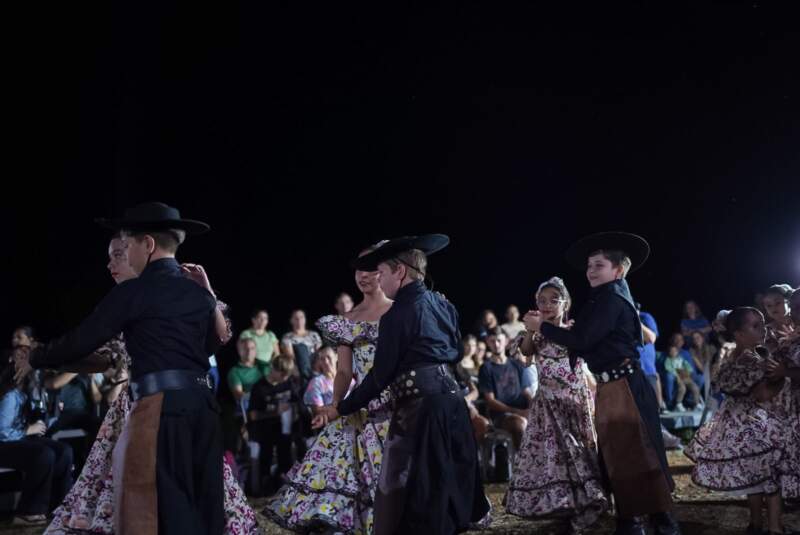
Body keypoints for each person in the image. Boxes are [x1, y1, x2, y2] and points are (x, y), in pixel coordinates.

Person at [13, 202, 236, 534]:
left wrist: (35, 356)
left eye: (128, 245)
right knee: (203, 505)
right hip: (204, 408)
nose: (126, 255)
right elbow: (211, 345)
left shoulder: (135, 291)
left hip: (161, 409)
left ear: (147, 244)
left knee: (153, 507)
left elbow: (82, 340)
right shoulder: (201, 295)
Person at [313, 235, 490, 534]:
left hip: (423, 407)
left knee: (423, 492)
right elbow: (457, 352)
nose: (379, 279)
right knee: (448, 483)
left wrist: (341, 408)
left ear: (400, 272)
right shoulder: (442, 303)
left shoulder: (397, 315)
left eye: (381, 272)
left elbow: (380, 376)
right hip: (452, 401)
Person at [523, 232, 679, 535]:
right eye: (589, 265)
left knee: (639, 452)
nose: (591, 271)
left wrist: (542, 326)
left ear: (618, 270)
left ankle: (659, 520)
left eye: (599, 265)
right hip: (611, 386)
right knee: (617, 455)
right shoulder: (602, 299)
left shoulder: (611, 299)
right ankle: (633, 518)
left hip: (624, 385)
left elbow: (582, 340)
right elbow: (581, 340)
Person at [265, 244, 394, 533]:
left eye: (370, 269)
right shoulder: (348, 320)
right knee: (343, 467)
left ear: (384, 271)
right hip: (361, 402)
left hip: (395, 402)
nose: (362, 275)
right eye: (358, 269)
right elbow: (344, 371)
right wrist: (335, 405)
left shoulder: (398, 311)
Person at [506, 277, 608, 533]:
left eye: (554, 300)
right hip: (548, 406)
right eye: (542, 301)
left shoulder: (574, 331)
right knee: (555, 455)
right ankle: (562, 506)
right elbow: (526, 352)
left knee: (579, 451)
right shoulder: (536, 333)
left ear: (566, 304)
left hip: (575, 403)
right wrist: (531, 330)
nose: (547, 305)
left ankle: (589, 502)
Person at [685, 307, 799, 535]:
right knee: (772, 474)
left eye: (762, 324)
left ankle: (755, 524)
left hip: (734, 425)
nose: (763, 330)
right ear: (738, 334)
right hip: (756, 424)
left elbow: (724, 385)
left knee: (753, 475)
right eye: (755, 326)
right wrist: (781, 379)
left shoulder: (730, 357)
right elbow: (762, 394)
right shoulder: (755, 360)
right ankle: (775, 527)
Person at [0, 352, 73, 527]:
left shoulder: (26, 395)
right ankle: (28, 512)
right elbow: (2, 432)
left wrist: (53, 414)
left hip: (18, 439)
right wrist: (27, 430)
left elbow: (41, 426)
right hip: (4, 443)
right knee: (43, 454)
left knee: (63, 451)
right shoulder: (10, 396)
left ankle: (60, 506)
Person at [247, 354, 302, 494]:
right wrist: (275, 412)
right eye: (282, 374)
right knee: (266, 450)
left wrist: (294, 410)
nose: (285, 377)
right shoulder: (260, 388)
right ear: (273, 369)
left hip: (284, 428)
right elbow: (253, 415)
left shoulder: (288, 383)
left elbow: (296, 401)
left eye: (287, 374)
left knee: (288, 448)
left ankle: (284, 479)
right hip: (264, 428)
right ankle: (265, 483)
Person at [478, 327, 533, 449]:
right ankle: (522, 460)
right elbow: (490, 401)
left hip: (522, 410)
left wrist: (533, 407)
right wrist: (518, 412)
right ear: (488, 342)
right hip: (501, 415)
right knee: (518, 424)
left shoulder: (516, 364)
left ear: (506, 341)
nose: (496, 344)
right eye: (492, 341)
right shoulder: (486, 368)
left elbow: (526, 392)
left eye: (499, 340)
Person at [281, 309, 323, 386]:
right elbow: (290, 356)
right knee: (301, 348)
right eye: (296, 318)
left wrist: (315, 368)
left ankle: (310, 377)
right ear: (291, 321)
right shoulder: (288, 337)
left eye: (301, 317)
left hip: (314, 365)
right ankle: (307, 378)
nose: (299, 320)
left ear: (305, 319)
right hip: (298, 366)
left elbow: (319, 353)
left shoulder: (314, 335)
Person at [664, 345, 703, 412]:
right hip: (678, 378)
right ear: (669, 352)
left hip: (685, 377)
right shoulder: (668, 360)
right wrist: (677, 375)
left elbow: (687, 366)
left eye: (674, 351)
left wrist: (689, 371)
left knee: (695, 388)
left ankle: (696, 403)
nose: (673, 352)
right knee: (682, 388)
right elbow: (669, 368)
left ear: (677, 352)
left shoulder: (681, 359)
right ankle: (678, 403)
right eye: (671, 351)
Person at [303, 346, 338, 413]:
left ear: (336, 357)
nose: (326, 362)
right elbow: (318, 410)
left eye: (328, 357)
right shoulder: (316, 383)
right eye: (322, 359)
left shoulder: (348, 378)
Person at [763, 284, 794, 353]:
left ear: (788, 302)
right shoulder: (766, 331)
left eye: (777, 303)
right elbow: (771, 354)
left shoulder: (798, 322)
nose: (773, 307)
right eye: (769, 305)